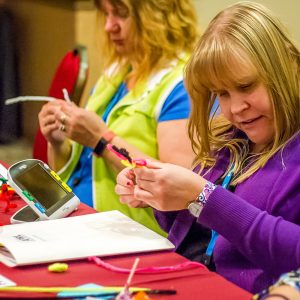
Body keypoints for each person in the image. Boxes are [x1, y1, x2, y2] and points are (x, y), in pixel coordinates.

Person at [115, 1, 300, 294]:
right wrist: (159, 195)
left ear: (286, 68)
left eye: (246, 86)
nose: (236, 108)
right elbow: (197, 236)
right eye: (222, 94)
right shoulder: (232, 141)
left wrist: (203, 197)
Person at [38, 0, 198, 235]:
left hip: (132, 236)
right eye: (106, 14)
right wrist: (58, 141)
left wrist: (101, 140)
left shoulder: (182, 86)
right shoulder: (118, 71)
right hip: (79, 221)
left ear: (160, 15)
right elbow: (80, 167)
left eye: (121, 14)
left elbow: (178, 186)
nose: (109, 26)